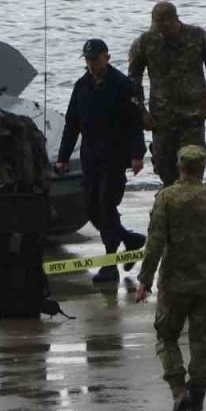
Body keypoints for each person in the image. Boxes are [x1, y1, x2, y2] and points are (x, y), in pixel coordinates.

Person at [135, 145, 206, 411]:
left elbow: (154, 242)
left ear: (179, 166)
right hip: (204, 283)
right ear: (203, 168)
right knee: (201, 342)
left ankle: (179, 392)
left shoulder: (166, 198)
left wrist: (144, 280)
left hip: (172, 283)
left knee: (166, 338)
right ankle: (196, 408)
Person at [55, 38, 148, 284]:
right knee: (91, 208)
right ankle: (130, 240)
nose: (92, 64)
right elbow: (71, 124)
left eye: (95, 59)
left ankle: (110, 265)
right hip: (90, 156)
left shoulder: (122, 85)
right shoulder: (81, 86)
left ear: (106, 57)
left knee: (107, 206)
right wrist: (63, 157)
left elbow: (135, 123)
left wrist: (138, 155)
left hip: (115, 156)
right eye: (88, 60)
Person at [128, 1, 206, 186]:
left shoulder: (198, 36)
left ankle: (193, 200)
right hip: (162, 117)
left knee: (193, 163)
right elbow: (133, 81)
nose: (161, 32)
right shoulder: (145, 42)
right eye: (157, 26)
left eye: (165, 26)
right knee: (165, 167)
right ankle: (170, 199)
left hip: (194, 114)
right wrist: (140, 112)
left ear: (175, 20)